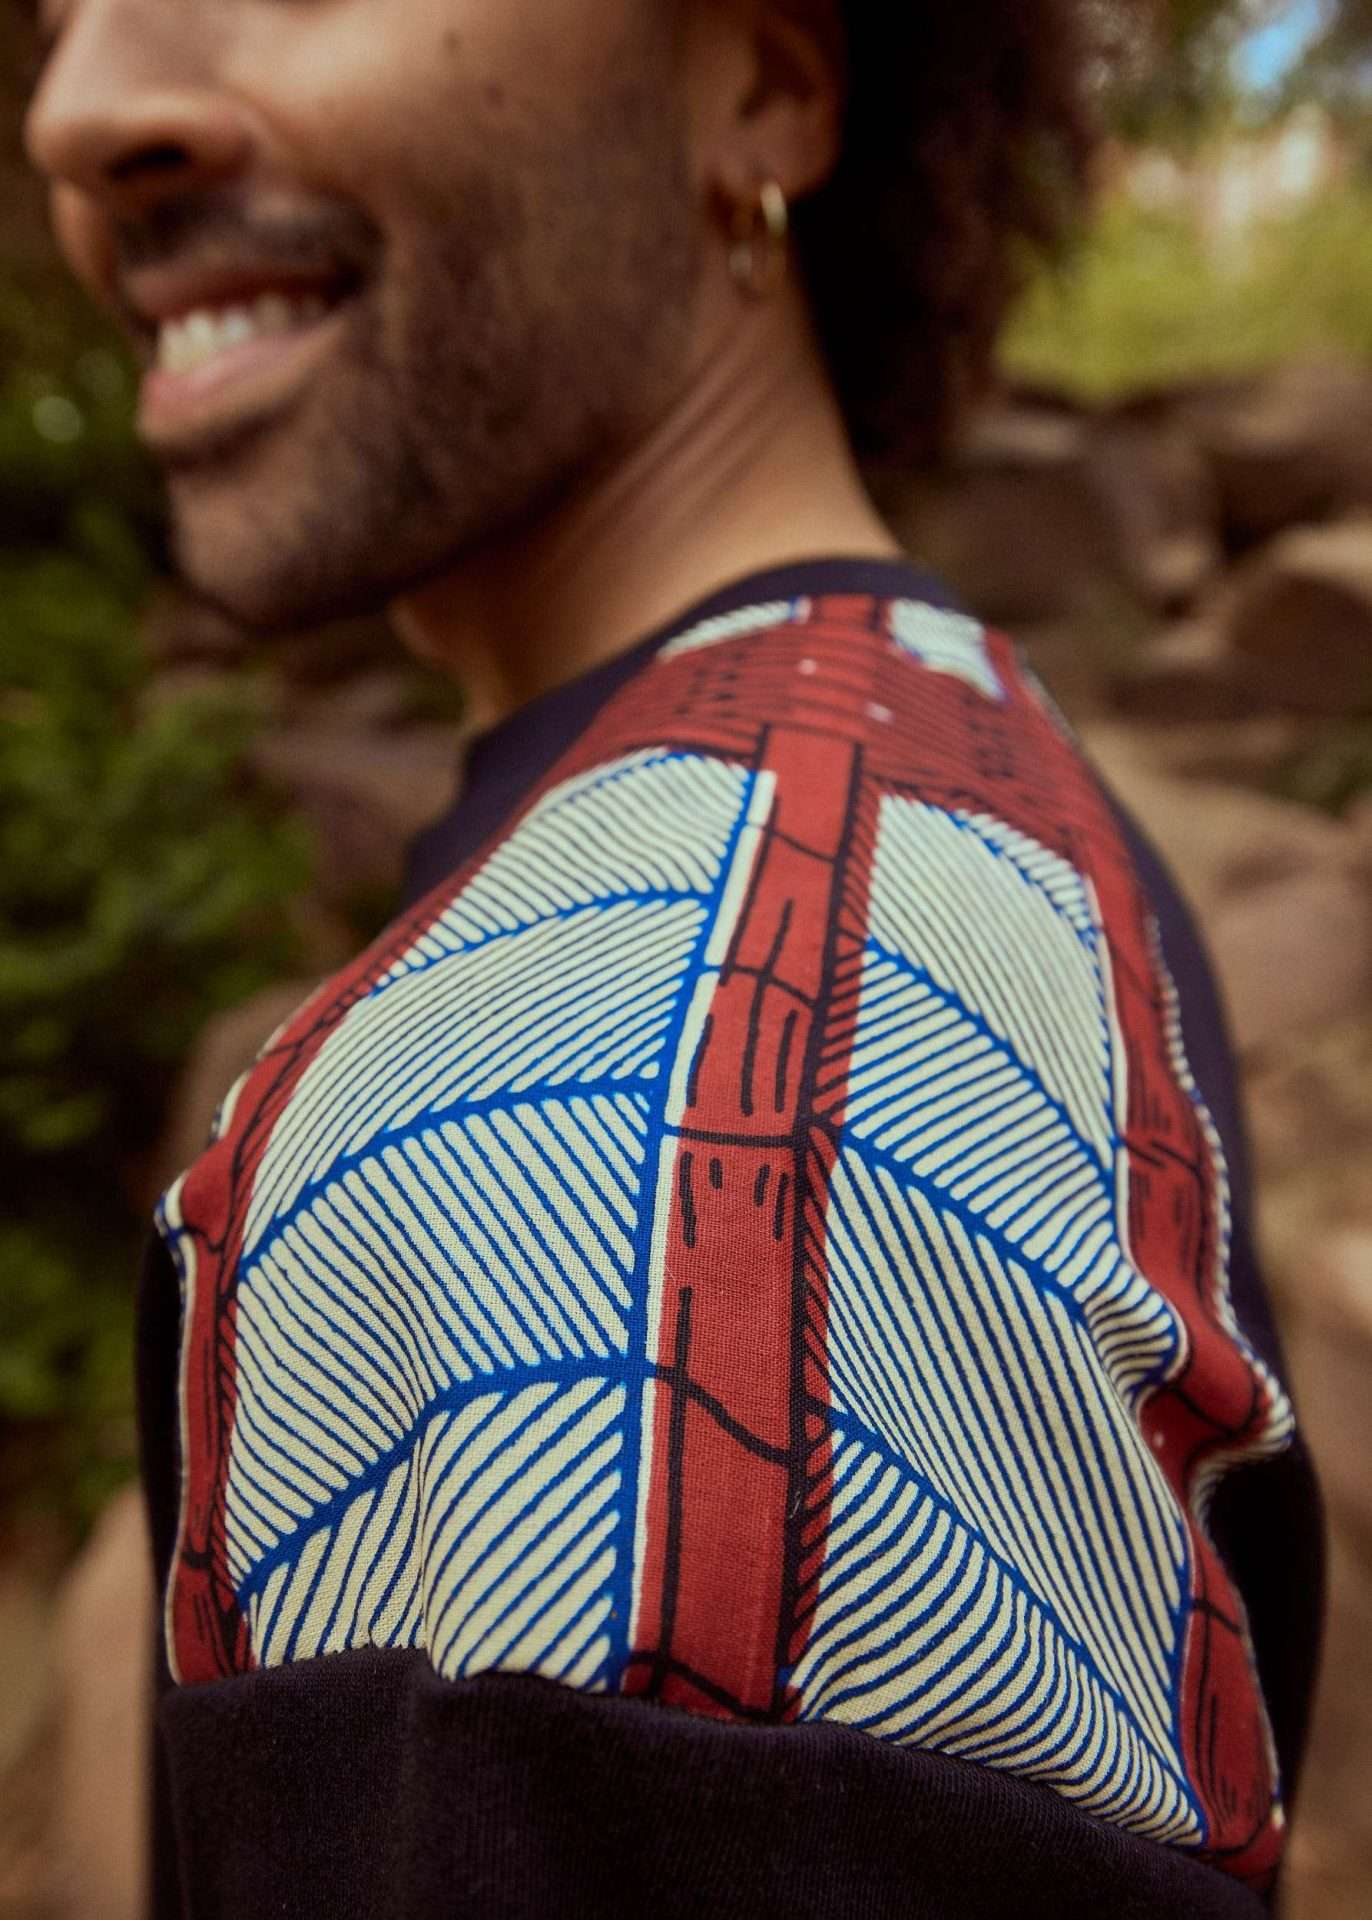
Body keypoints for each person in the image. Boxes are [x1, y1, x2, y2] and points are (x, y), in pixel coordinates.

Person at [24, 0, 1323, 1914]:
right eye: (62, 8)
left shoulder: (610, 1098)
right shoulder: (944, 737)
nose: (77, 110)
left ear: (764, 85)